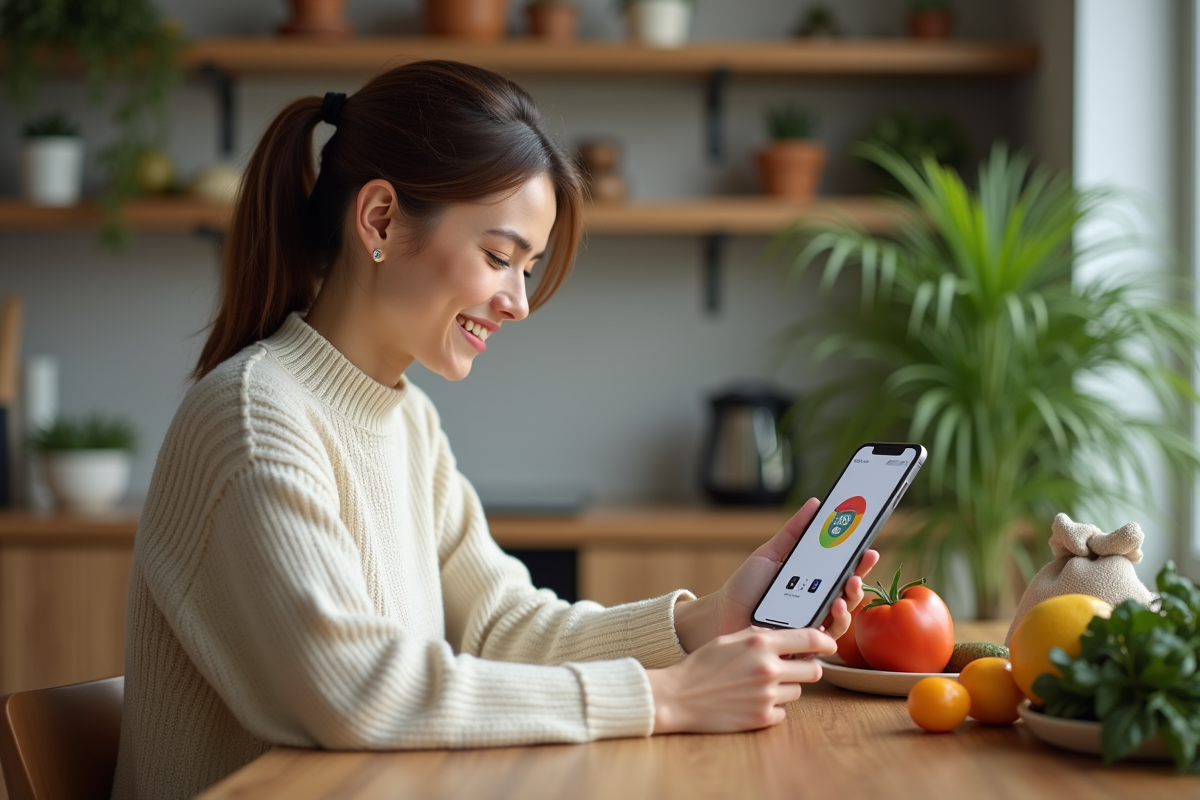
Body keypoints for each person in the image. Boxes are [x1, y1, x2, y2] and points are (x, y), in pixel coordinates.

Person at [110, 61, 878, 800]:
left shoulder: (404, 418)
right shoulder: (253, 418)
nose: (518, 301)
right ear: (379, 219)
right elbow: (354, 691)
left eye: (528, 268)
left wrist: (703, 620)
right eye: (499, 257)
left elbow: (504, 627)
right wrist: (665, 699)